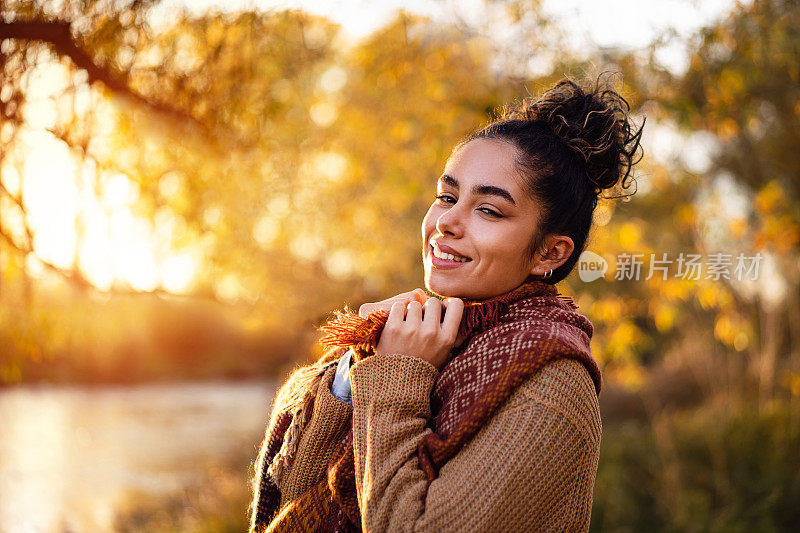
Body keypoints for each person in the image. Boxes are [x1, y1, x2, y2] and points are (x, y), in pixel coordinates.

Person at [249, 76, 644, 532]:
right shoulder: (424, 335)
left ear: (549, 253)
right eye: (447, 196)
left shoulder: (552, 384)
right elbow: (285, 496)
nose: (448, 222)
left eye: (489, 210)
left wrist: (398, 375)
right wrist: (353, 370)